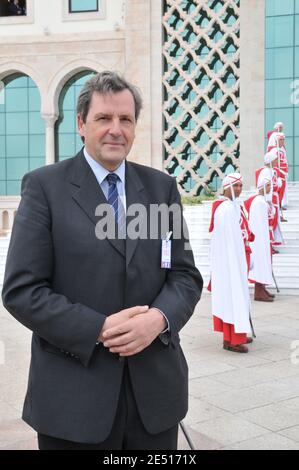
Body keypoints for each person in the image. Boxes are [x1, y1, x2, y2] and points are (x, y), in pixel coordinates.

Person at [2, 71, 203, 450]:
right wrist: (98, 327)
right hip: (74, 399)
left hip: (154, 399)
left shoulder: (161, 189)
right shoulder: (45, 188)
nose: (116, 130)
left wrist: (157, 321)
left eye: (125, 119)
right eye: (104, 118)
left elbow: (185, 276)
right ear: (81, 123)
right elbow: (21, 290)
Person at [209, 173, 253, 354]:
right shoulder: (226, 209)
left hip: (236, 259)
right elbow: (227, 241)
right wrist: (236, 262)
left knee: (237, 297)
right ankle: (232, 340)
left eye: (241, 186)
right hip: (230, 262)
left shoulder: (234, 207)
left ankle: (238, 334)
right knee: (232, 298)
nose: (238, 189)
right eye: (235, 186)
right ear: (226, 188)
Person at [244, 169, 275, 302]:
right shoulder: (259, 202)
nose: (270, 188)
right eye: (268, 185)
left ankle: (262, 288)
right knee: (261, 263)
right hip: (259, 240)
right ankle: (259, 291)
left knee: (264, 263)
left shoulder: (261, 201)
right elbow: (257, 225)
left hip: (264, 238)